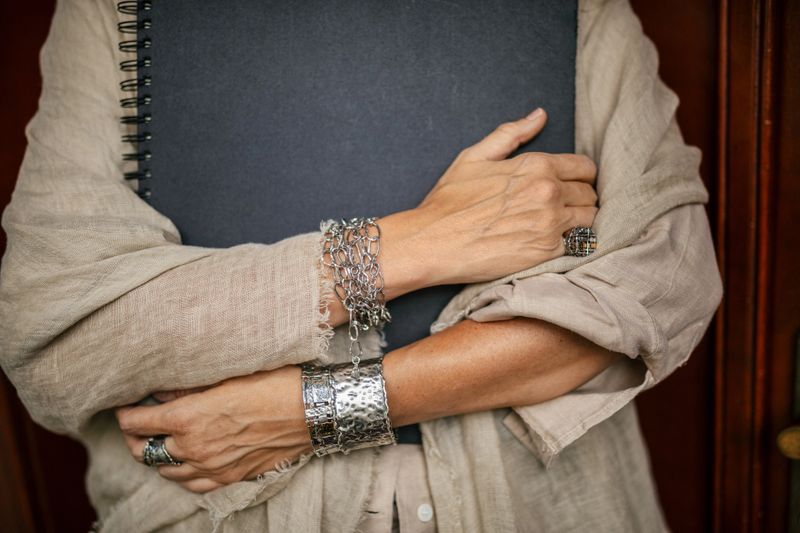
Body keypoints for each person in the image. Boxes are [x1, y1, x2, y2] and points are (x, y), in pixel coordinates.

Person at [0, 0, 722, 532]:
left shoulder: (579, 11)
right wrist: (409, 247)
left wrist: (312, 414)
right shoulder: (113, 13)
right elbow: (57, 343)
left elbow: (657, 285)